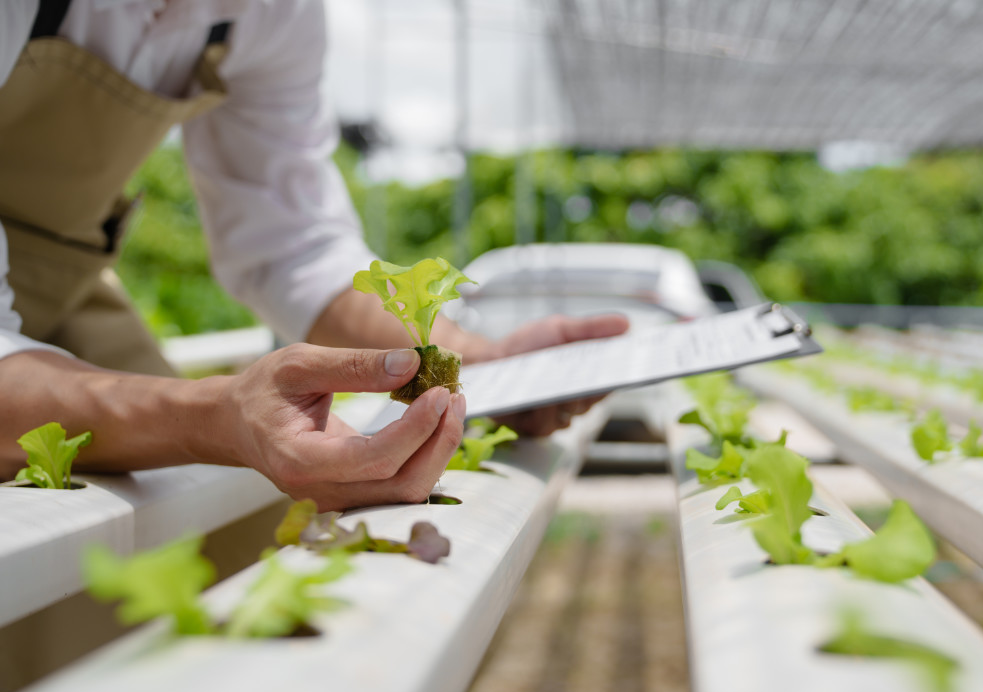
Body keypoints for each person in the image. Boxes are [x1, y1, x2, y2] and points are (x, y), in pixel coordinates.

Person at [0, 0, 628, 511]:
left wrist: (471, 363)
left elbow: (291, 243)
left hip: (61, 286)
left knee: (211, 528)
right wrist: (215, 416)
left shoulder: (275, 12)